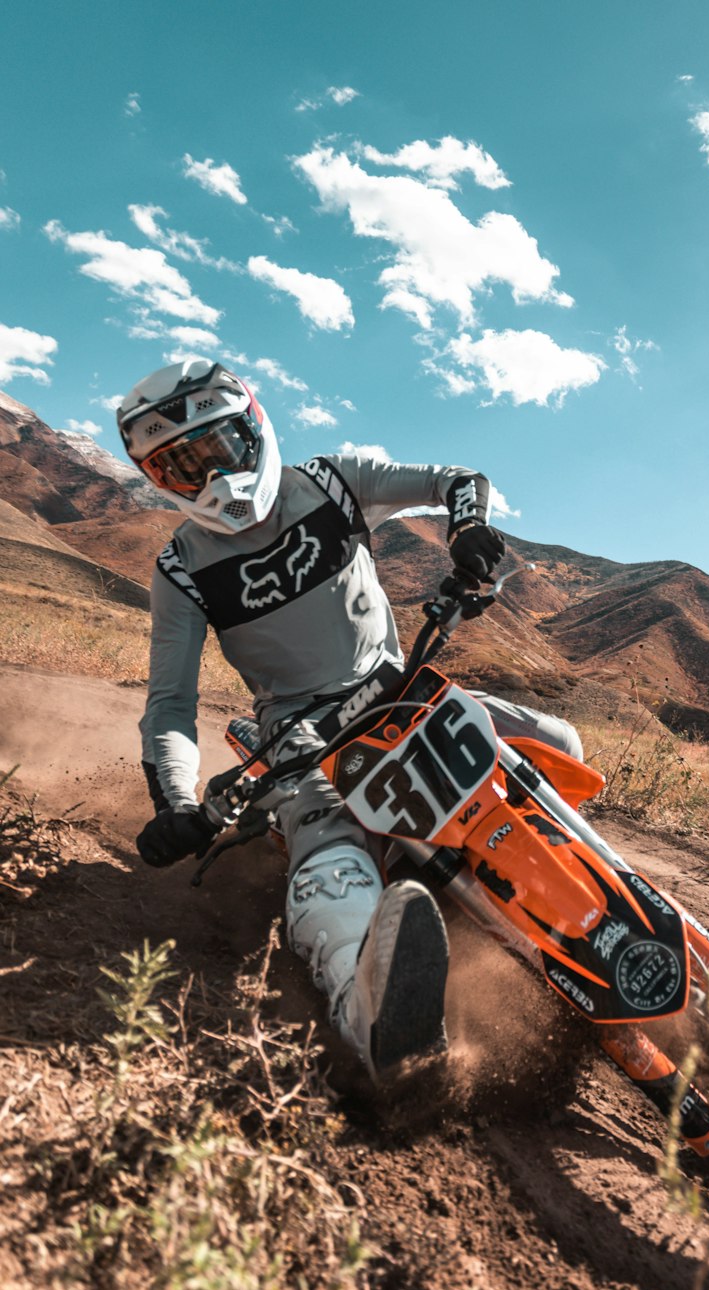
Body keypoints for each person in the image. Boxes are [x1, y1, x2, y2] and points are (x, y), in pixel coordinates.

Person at [118, 358, 582, 1081]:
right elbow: (171, 704)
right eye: (182, 469)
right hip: (299, 736)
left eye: (219, 450)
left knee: (555, 743)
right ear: (157, 480)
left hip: (399, 691)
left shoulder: (334, 482)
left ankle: (577, 904)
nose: (211, 480)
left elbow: (458, 481)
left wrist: (468, 531)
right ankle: (367, 1012)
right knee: (328, 838)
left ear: (255, 428)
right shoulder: (181, 567)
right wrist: (176, 803)